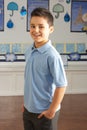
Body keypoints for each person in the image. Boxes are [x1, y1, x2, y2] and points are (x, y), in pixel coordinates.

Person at [23, 7, 67, 130]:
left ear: (51, 29)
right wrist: (26, 103)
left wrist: (51, 110)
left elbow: (61, 85)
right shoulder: (29, 51)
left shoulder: (52, 56)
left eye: (41, 27)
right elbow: (30, 80)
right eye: (32, 26)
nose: (35, 30)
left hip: (45, 112)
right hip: (28, 110)